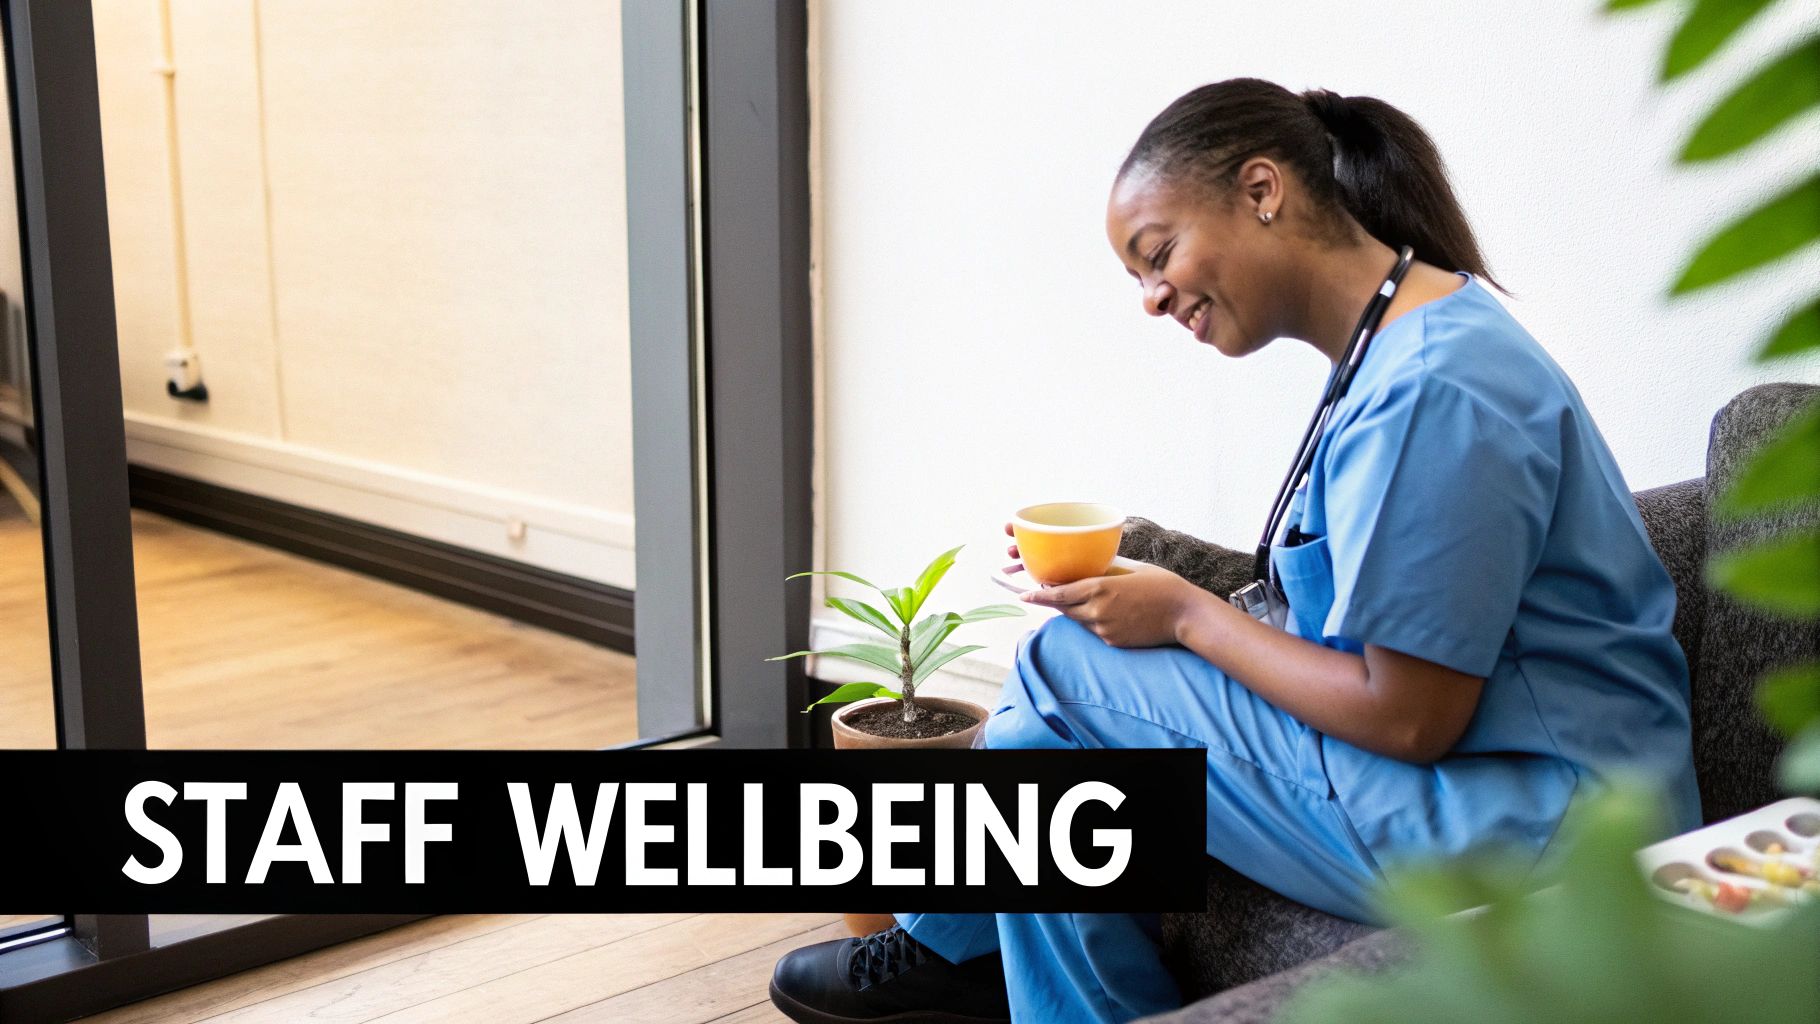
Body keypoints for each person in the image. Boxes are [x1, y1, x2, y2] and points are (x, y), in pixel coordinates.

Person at [768, 77, 1701, 1024]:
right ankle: (966, 958)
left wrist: (1183, 611)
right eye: (1136, 276)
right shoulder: (1402, 345)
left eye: (1157, 253)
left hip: (1545, 826)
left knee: (1057, 671)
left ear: (1263, 190)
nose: (1151, 297)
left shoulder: (1433, 389)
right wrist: (1155, 605)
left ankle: (953, 952)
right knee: (1038, 728)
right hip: (1496, 787)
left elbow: (1413, 718)